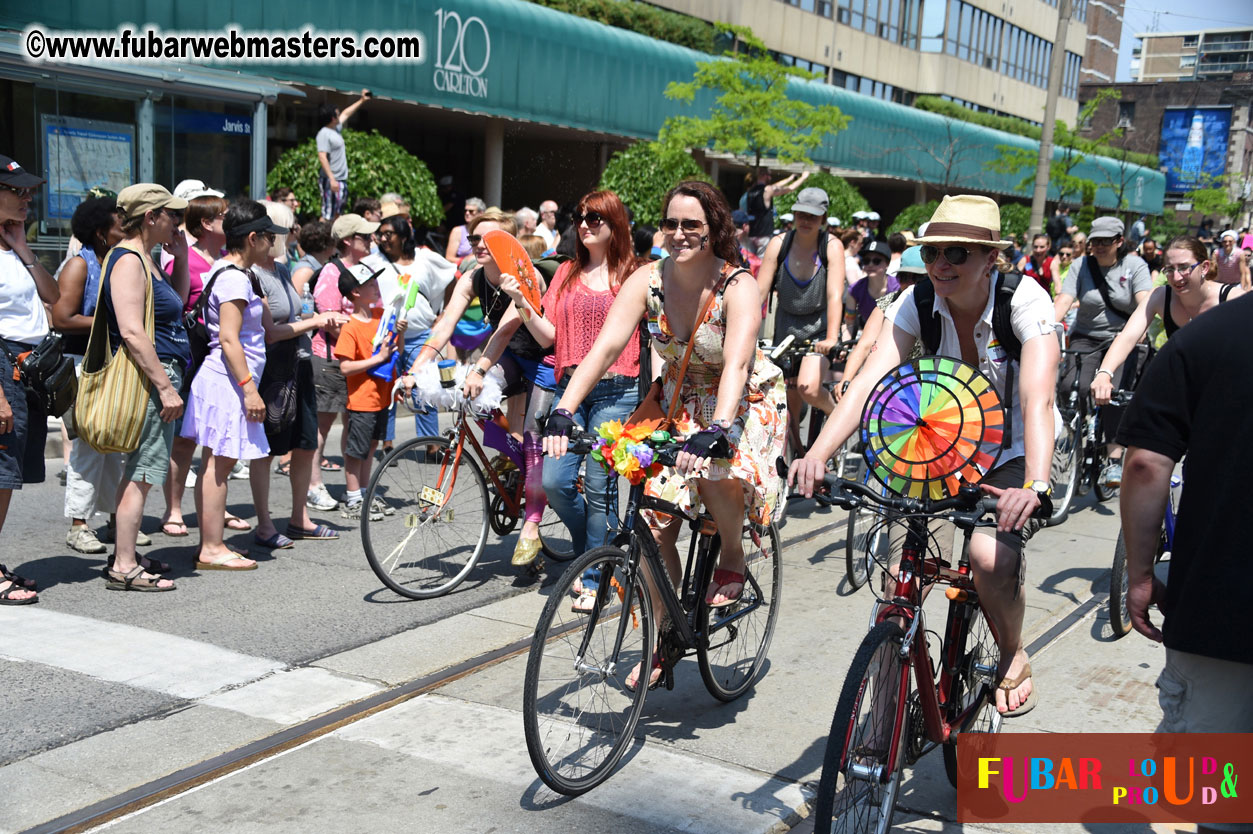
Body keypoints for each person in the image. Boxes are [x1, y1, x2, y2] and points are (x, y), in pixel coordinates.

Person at [792, 195, 1061, 717]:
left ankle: (1011, 650)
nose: (941, 264)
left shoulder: (1025, 301)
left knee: (988, 560)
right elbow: (870, 380)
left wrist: (1036, 483)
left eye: (958, 253)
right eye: (934, 251)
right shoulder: (916, 302)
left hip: (1012, 450)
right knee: (897, 576)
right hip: (940, 445)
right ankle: (884, 715)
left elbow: (1039, 396)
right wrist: (818, 452)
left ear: (990, 260)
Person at [545, 180, 786, 690]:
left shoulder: (737, 286)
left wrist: (718, 427)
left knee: (719, 468)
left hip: (741, 400)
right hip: (676, 403)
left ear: (713, 228)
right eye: (671, 223)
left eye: (691, 224)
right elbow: (606, 347)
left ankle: (733, 556)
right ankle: (664, 635)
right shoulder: (646, 281)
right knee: (651, 531)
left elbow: (739, 362)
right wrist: (563, 409)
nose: (678, 233)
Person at [1117, 293, 1253, 816]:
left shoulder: (1204, 338)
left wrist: (1141, 574)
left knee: (1223, 802)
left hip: (1223, 606)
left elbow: (1147, 465)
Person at [499, 190, 643, 607]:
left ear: (616, 223)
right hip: (571, 390)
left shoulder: (635, 273)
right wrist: (522, 302)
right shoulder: (566, 273)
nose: (584, 224)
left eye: (595, 218)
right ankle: (592, 553)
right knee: (555, 481)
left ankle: (596, 573)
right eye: (579, 217)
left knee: (599, 485)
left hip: (619, 389)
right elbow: (551, 338)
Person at [403, 208, 558, 565]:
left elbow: (505, 328)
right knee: (473, 399)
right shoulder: (472, 277)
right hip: (507, 356)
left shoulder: (525, 273)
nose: (479, 245)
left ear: (508, 242)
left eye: (488, 239)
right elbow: (443, 327)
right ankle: (510, 452)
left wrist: (479, 368)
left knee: (534, 434)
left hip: (544, 360)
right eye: (474, 238)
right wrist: (414, 370)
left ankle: (531, 522)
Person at [181, 200, 285, 572]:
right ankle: (211, 547)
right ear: (253, 238)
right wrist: (249, 389)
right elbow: (228, 339)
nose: (273, 244)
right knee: (218, 467)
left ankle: (208, 544)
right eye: (269, 237)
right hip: (227, 382)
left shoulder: (226, 270)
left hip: (223, 381)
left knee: (213, 465)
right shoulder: (234, 277)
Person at [101, 183, 193, 591]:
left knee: (141, 469)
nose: (178, 222)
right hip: (152, 379)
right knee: (142, 471)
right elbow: (132, 332)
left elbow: (177, 304)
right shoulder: (128, 261)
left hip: (163, 374)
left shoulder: (147, 259)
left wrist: (183, 258)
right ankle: (123, 564)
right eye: (172, 215)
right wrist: (164, 386)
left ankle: (126, 554)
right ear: (151, 217)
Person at [248, 201, 347, 547]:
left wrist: (314, 319)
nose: (293, 234)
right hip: (273, 369)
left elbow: (292, 315)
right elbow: (270, 331)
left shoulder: (281, 268)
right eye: (287, 228)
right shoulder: (255, 274)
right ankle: (264, 525)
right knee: (267, 448)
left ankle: (298, 518)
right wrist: (316, 320)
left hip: (300, 363)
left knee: (304, 445)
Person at [1051, 216, 1152, 487]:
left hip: (1122, 339)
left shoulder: (1135, 265)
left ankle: (1115, 457)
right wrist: (1047, 325)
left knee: (1110, 393)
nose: (1098, 247)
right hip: (1086, 336)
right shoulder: (1080, 265)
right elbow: (1065, 299)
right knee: (1071, 386)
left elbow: (1146, 304)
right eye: (1094, 241)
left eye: (1106, 242)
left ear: (1119, 241)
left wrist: (1140, 329)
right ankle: (1082, 424)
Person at [53, 196, 128, 555]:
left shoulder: (117, 262)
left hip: (111, 364)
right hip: (83, 365)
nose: (126, 226)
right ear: (100, 232)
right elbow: (62, 318)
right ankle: (79, 526)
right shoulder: (79, 266)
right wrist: (111, 324)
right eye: (119, 221)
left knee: (115, 445)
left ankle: (116, 520)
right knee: (87, 447)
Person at [159, 192, 236, 540]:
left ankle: (212, 504)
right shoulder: (185, 259)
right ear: (206, 223)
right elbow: (174, 304)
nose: (230, 220)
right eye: (224, 216)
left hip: (218, 358)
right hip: (193, 356)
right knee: (185, 440)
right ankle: (174, 509)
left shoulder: (224, 258)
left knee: (215, 438)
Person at [0, 155, 59, 604]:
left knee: (9, 475)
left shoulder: (11, 247)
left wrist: (24, 250)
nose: (27, 198)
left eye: (27, 191)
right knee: (1, 474)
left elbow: (53, 297)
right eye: (16, 190)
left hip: (28, 365)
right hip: (4, 367)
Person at [1092, 236, 1242, 409]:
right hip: (1181, 390)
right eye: (1170, 269)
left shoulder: (1233, 299)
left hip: (1224, 393)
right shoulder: (1160, 297)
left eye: (1185, 268)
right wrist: (1104, 373)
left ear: (1204, 267)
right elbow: (1127, 337)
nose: (1177, 277)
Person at [755, 186, 847, 453]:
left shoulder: (831, 246)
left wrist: (831, 338)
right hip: (786, 331)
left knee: (808, 387)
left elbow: (834, 295)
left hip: (819, 331)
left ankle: (836, 414)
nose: (806, 221)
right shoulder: (779, 243)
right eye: (801, 215)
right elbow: (760, 291)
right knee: (786, 403)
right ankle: (795, 456)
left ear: (824, 219)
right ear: (794, 214)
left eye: (813, 217)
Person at [309, 212, 378, 509]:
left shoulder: (365, 269)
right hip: (332, 358)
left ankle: (356, 489)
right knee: (322, 425)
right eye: (365, 236)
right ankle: (313, 485)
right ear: (349, 241)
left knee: (355, 424)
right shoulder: (330, 272)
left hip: (361, 359)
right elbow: (329, 319)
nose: (372, 240)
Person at [374, 213, 456, 443]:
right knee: (388, 387)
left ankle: (430, 443)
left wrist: (445, 313)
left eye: (388, 234)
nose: (383, 239)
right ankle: (387, 443)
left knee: (423, 388)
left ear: (403, 235)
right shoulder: (376, 261)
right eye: (380, 235)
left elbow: (453, 277)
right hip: (387, 338)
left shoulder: (424, 257)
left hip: (420, 334)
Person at [334, 265, 405, 519]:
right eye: (370, 284)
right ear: (355, 292)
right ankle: (353, 497)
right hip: (362, 399)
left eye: (376, 282)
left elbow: (395, 349)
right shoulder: (351, 326)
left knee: (371, 445)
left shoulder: (382, 315)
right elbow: (345, 367)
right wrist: (377, 360)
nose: (376, 287)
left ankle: (364, 492)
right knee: (356, 450)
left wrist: (401, 333)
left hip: (382, 396)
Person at [835, 244, 927, 402]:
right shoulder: (885, 301)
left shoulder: (941, 304)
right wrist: (846, 379)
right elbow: (864, 343)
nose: (911, 284)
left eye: (918, 278)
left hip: (933, 383)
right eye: (905, 277)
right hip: (895, 386)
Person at [316, 89, 370, 220]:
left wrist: (361, 100)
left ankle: (332, 239)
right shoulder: (324, 133)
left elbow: (346, 113)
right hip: (331, 180)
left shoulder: (335, 129)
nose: (339, 113)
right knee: (327, 213)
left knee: (337, 213)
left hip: (340, 180)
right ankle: (317, 238)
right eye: (336, 113)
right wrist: (332, 179)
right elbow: (322, 156)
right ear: (332, 118)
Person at [744, 170, 809, 254]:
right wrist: (803, 177)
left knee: (750, 263)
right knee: (760, 264)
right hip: (764, 235)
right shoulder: (768, 190)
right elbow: (791, 188)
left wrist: (790, 178)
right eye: (769, 175)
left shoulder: (751, 191)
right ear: (765, 176)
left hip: (751, 234)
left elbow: (776, 185)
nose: (771, 178)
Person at [845, 240, 898, 333]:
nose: (870, 265)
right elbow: (849, 323)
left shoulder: (898, 288)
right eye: (866, 261)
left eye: (876, 261)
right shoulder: (854, 290)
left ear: (887, 264)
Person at [445, 197, 486, 263]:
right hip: (463, 269)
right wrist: (467, 260)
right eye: (465, 211)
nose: (467, 213)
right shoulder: (457, 231)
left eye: (471, 211)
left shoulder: (487, 230)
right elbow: (449, 258)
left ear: (480, 213)